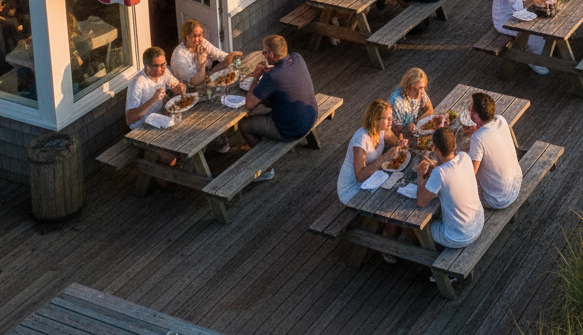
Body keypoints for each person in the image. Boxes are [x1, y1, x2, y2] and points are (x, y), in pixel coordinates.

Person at [241, 35, 319, 179]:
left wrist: (257, 76)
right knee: (270, 99)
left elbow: (249, 103)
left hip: (291, 129)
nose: (263, 54)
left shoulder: (272, 76)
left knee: (244, 125)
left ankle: (266, 169)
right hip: (310, 116)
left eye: (264, 52)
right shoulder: (297, 58)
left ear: (270, 54)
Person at [416, 126, 484, 248]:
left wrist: (420, 175)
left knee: (424, 227)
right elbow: (451, 168)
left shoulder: (439, 173)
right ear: (454, 145)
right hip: (478, 224)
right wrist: (436, 164)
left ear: (435, 148)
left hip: (458, 237)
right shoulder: (465, 157)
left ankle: (427, 257)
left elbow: (421, 201)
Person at [337, 98, 408, 203]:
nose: (391, 121)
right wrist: (384, 157)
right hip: (352, 188)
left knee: (398, 188)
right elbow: (359, 177)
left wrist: (401, 143)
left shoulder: (383, 130)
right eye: (387, 119)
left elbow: (396, 143)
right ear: (376, 120)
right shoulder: (361, 139)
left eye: (391, 117)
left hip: (371, 178)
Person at [465, 92, 522, 210]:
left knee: (457, 183)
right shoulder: (501, 120)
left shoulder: (478, 138)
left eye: (470, 109)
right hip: (515, 186)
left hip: (496, 199)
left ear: (476, 116)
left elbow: (470, 174)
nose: (468, 112)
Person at [125, 46, 186, 129]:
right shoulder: (138, 83)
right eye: (156, 66)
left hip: (160, 119)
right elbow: (130, 119)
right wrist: (153, 99)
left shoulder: (164, 72)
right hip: (143, 127)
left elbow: (175, 87)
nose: (160, 69)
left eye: (163, 65)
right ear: (147, 66)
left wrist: (180, 89)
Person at [171, 19, 242, 88]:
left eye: (200, 35)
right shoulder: (179, 56)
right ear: (188, 37)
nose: (199, 39)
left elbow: (219, 55)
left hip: (206, 77)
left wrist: (232, 56)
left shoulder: (201, 42)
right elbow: (193, 82)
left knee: (227, 63)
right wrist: (202, 64)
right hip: (189, 88)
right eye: (195, 36)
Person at [389, 66, 434, 137]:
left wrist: (417, 124)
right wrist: (409, 128)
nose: (421, 92)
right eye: (415, 89)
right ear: (408, 87)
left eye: (423, 88)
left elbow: (429, 110)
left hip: (416, 131)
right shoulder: (396, 103)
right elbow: (395, 134)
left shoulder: (420, 91)